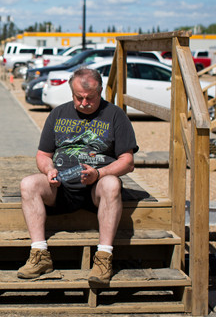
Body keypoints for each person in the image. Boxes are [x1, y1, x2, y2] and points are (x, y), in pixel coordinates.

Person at [17, 67, 138, 285]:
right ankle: (39, 255)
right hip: (61, 187)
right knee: (28, 184)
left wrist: (99, 173)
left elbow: (127, 162)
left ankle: (104, 258)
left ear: (100, 90)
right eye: (78, 97)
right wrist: (49, 170)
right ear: (71, 92)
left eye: (89, 98)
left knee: (112, 184)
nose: (83, 103)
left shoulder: (115, 115)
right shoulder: (58, 113)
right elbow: (43, 155)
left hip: (96, 189)